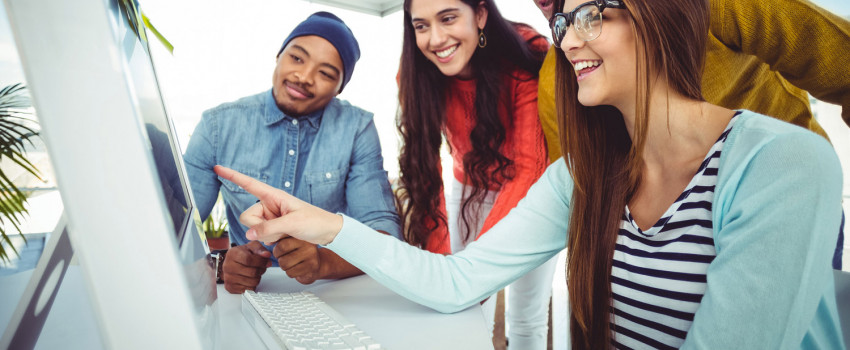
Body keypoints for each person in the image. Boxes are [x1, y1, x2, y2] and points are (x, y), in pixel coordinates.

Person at [215, 0, 846, 347]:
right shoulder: (586, 172)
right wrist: (326, 227)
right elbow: (457, 279)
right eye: (563, 22)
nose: (569, 40)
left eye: (593, 14)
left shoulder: (786, 164)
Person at [534, 0, 850, 269]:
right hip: (671, 246)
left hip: (789, 206)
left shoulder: (713, 6)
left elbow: (837, 57)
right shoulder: (559, 79)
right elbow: (582, 195)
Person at [183, 12, 401, 294]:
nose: (304, 77)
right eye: (297, 58)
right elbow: (175, 232)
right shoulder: (217, 126)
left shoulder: (357, 128)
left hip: (330, 292)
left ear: (339, 88)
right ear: (279, 56)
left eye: (325, 73)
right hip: (248, 296)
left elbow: (384, 235)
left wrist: (322, 262)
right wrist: (220, 264)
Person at [396, 0, 553, 347]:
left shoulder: (526, 53)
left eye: (448, 18)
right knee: (463, 310)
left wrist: (475, 268)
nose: (436, 39)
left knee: (527, 316)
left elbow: (529, 167)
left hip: (534, 193)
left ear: (480, 14)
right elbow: (425, 173)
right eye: (421, 26)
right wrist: (444, 271)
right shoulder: (415, 71)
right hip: (467, 189)